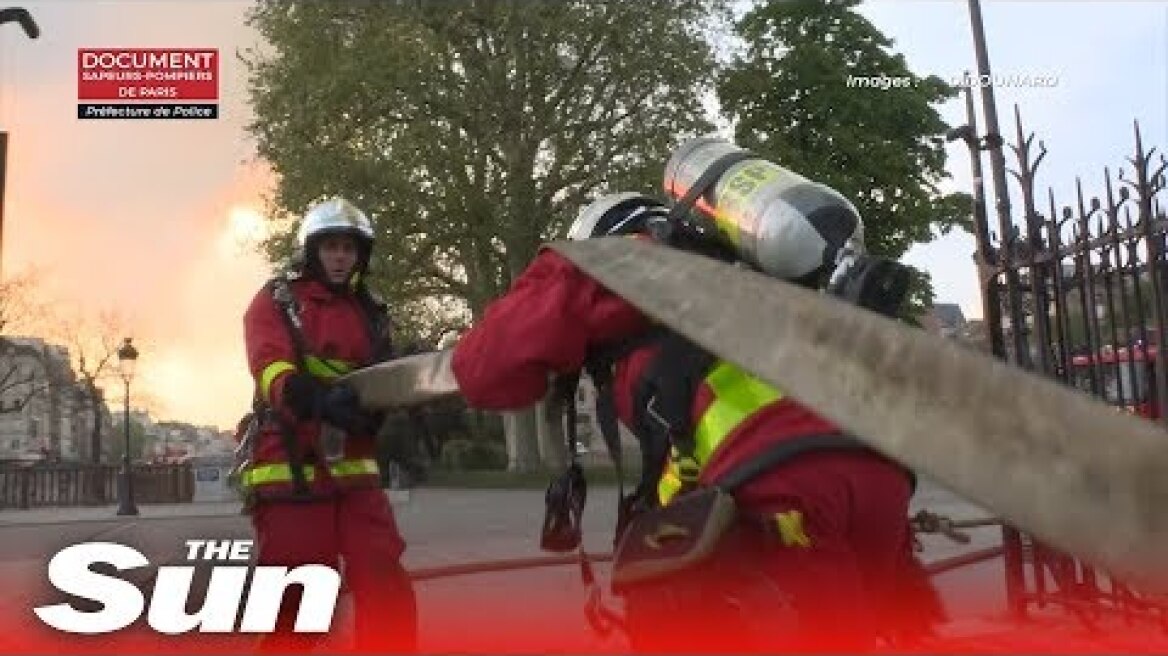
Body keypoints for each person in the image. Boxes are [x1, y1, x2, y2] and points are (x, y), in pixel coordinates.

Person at [451, 192, 941, 651]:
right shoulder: (735, 264)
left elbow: (483, 372)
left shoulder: (613, 268)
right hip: (877, 467)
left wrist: (558, 271)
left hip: (775, 482)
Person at [240, 197, 416, 652]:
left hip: (356, 465)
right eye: (332, 247)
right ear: (312, 251)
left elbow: (382, 374)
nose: (340, 257)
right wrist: (314, 399)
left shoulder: (372, 310)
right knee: (301, 598)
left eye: (349, 249)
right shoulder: (277, 300)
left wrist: (380, 409)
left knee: (385, 584)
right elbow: (270, 368)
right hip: (292, 466)